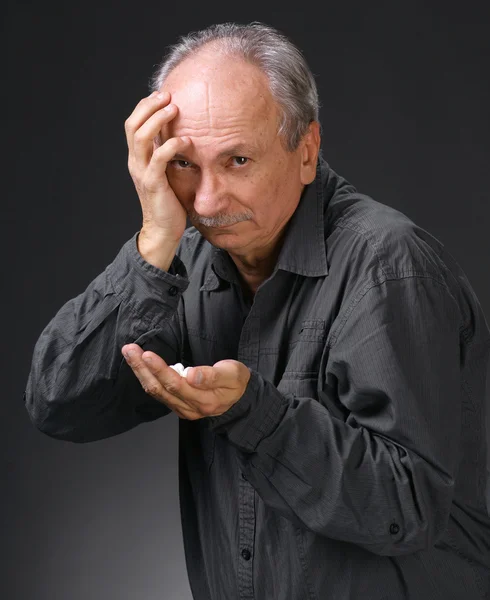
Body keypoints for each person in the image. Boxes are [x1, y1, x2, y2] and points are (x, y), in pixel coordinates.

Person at [24, 21, 490, 600]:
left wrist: (255, 412)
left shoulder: (387, 266)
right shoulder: (182, 258)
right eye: (185, 164)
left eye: (239, 160)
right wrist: (152, 243)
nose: (208, 201)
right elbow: (59, 405)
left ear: (306, 151)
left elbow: (408, 506)